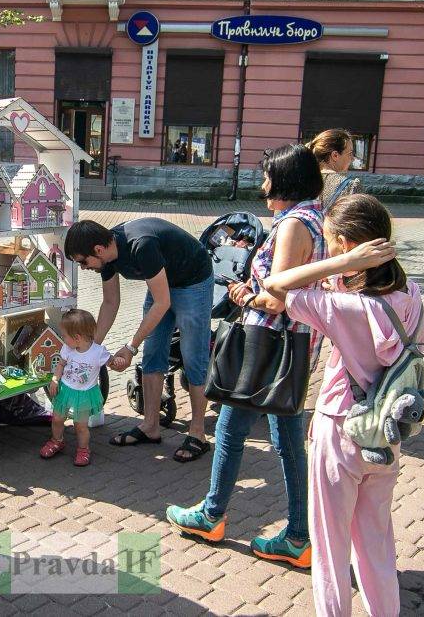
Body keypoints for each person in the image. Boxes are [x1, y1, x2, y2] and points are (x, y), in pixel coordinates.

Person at [259, 193, 422, 617]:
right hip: (388, 430)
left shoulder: (342, 307)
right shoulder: (412, 294)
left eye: (331, 243)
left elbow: (276, 286)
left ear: (349, 247)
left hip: (339, 428)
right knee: (376, 540)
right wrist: (352, 267)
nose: (326, 250)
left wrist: (342, 266)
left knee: (331, 545)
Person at [166, 144, 325, 567]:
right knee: (285, 443)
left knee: (237, 432)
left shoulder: (295, 224)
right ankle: (296, 535)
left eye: (269, 177)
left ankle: (213, 515)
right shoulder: (313, 218)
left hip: (267, 346)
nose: (263, 185)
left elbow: (277, 298)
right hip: (288, 346)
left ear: (287, 181)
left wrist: (244, 293)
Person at [64, 216, 213, 462]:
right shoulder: (107, 257)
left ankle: (198, 433)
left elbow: (163, 302)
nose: (83, 267)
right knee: (153, 353)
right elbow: (111, 303)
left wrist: (130, 346)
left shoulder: (140, 245)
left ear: (98, 250)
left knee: (193, 356)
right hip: (162, 287)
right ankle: (150, 426)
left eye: (83, 261)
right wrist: (91, 349)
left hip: (193, 282)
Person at [40, 309, 114, 467]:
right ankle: (56, 441)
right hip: (66, 389)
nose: (63, 339)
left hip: (85, 394)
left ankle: (83, 449)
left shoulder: (98, 352)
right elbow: (61, 364)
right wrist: (55, 378)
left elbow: (112, 362)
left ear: (77, 338)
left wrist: (119, 361)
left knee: (80, 425)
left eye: (65, 336)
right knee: (58, 418)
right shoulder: (67, 349)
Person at [306, 129, 361, 210]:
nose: (352, 159)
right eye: (350, 153)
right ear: (335, 155)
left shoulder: (303, 182)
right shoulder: (351, 186)